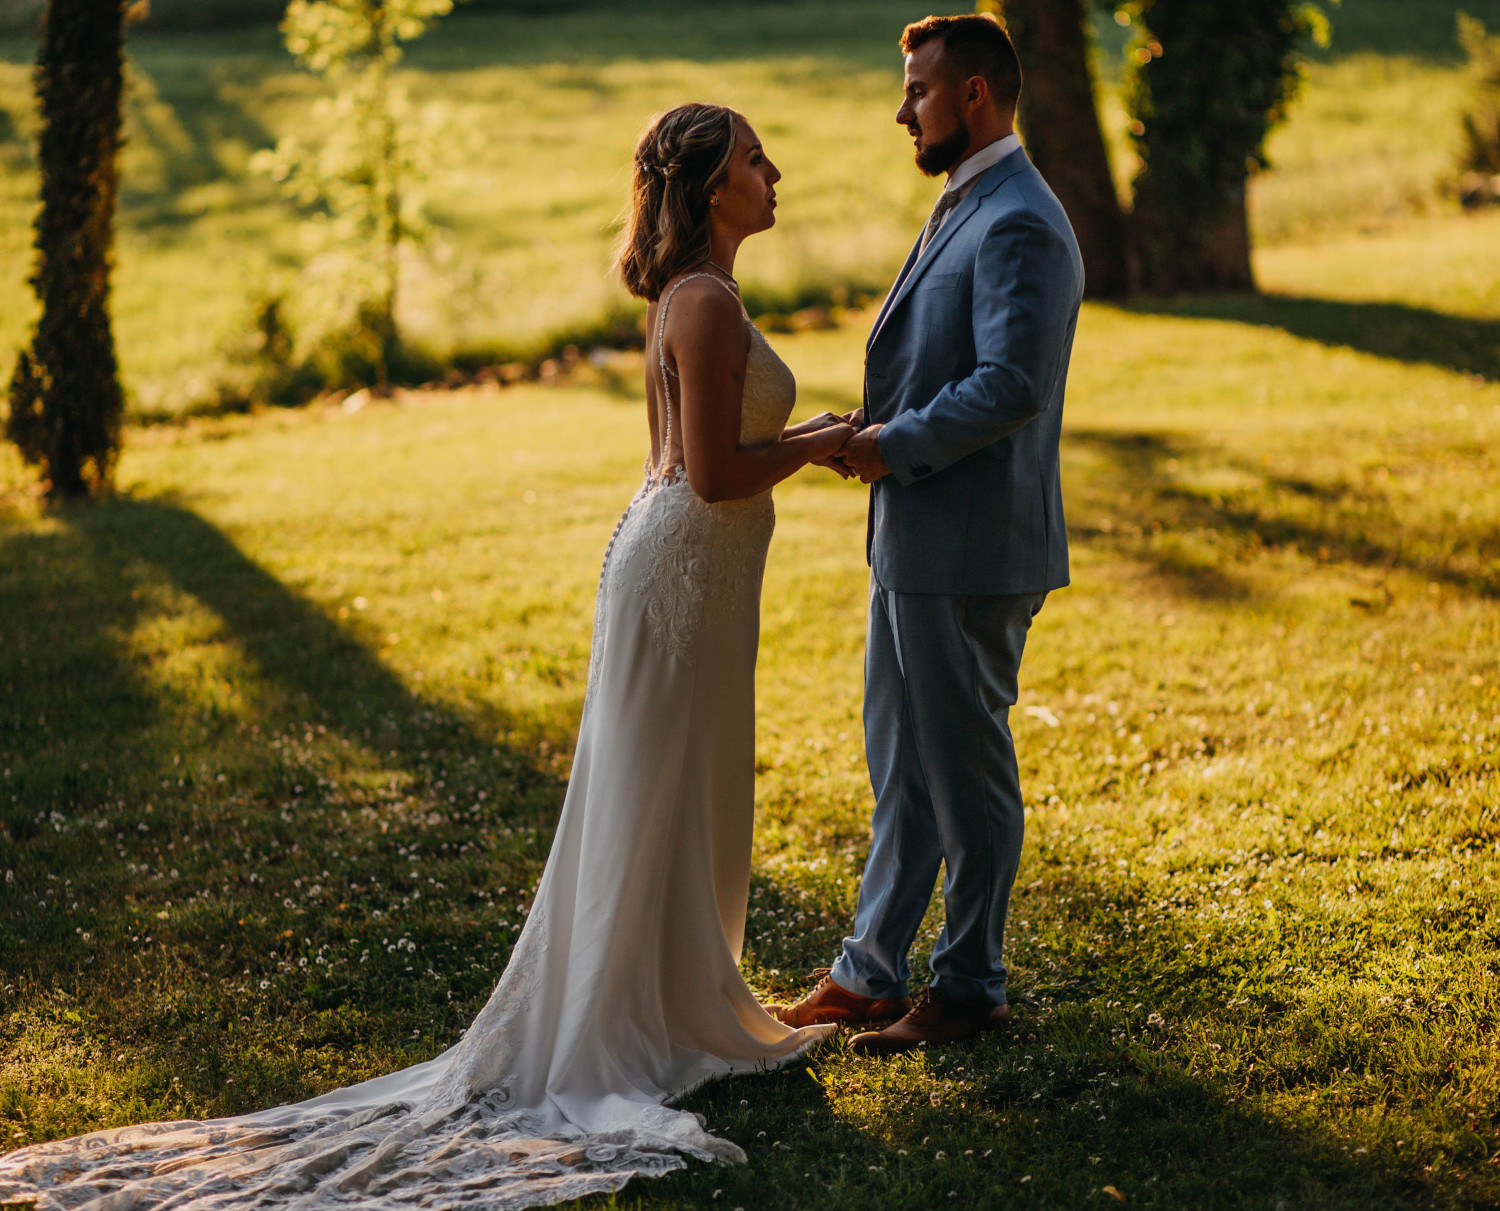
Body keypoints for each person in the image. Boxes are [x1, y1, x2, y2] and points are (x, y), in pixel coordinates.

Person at [0, 103, 853, 1211]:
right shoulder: (701, 301)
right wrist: (823, 438)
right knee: (653, 791)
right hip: (682, 566)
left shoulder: (707, 296)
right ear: (707, 186)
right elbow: (711, 473)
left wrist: (797, 444)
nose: (773, 171)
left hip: (692, 572)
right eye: (753, 159)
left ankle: (683, 995)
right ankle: (634, 1019)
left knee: (682, 785)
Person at [772, 13, 1084, 1053]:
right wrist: (878, 436)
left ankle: (970, 983)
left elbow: (1013, 384)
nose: (902, 108)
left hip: (969, 547)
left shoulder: (1019, 220)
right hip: (915, 539)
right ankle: (870, 972)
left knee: (965, 768)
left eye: (917, 89)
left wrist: (892, 443)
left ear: (974, 98)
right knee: (904, 765)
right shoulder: (972, 200)